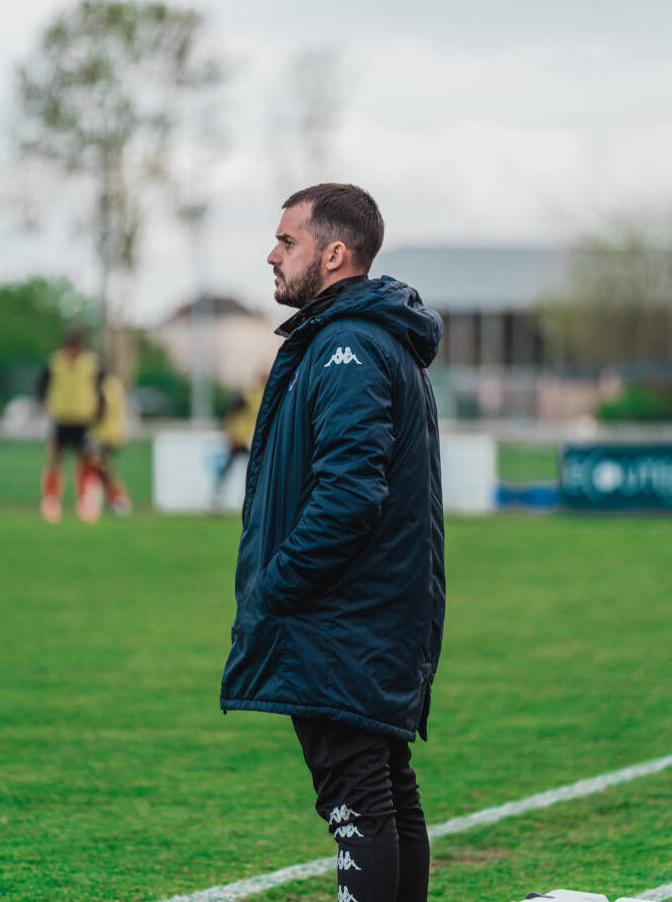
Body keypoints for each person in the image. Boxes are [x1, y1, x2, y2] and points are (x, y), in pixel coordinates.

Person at [220, 183, 445, 902]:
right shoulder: (358, 336)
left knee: (357, 804)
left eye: (287, 241)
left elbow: (349, 493)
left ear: (334, 253)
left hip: (338, 617)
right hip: (365, 613)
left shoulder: (348, 343)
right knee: (384, 793)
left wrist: (277, 588)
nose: (272, 254)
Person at [36, 328, 104, 523]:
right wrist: (45, 403)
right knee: (55, 461)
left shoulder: (92, 363)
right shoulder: (54, 363)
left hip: (83, 421)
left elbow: (100, 390)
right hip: (61, 419)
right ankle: (51, 502)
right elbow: (41, 386)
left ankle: (85, 503)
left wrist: (98, 410)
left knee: (85, 462)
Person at [87, 370, 132, 516]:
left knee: (102, 469)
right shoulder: (115, 385)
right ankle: (114, 501)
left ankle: (119, 501)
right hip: (115, 432)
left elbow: (101, 408)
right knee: (103, 469)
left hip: (103, 434)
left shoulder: (103, 387)